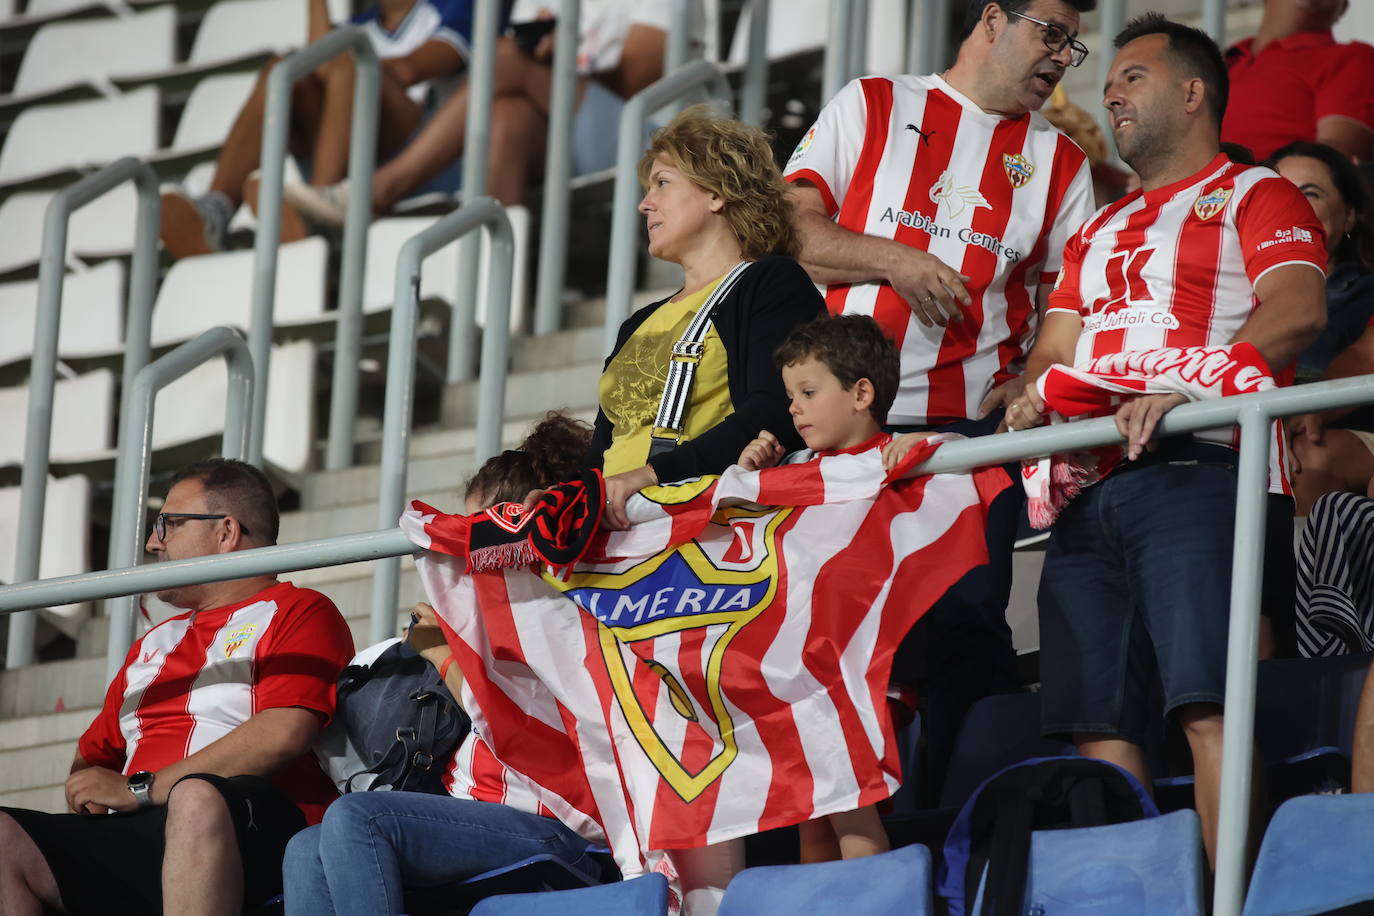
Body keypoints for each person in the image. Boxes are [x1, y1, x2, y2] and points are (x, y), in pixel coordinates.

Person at [1005, 13, 1327, 864]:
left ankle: (1232, 899)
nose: (1109, 93)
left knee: (1208, 704)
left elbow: (1298, 309)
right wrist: (1029, 399)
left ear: (1192, 94)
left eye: (1133, 78)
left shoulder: (1257, 193)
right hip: (1088, 487)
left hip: (1202, 467)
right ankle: (1143, 895)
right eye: (1111, 81)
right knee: (1096, 728)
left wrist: (1190, 388)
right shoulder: (1094, 231)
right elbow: (1053, 351)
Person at [783, 0, 1097, 806]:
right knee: (828, 632)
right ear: (993, 18)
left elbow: (1072, 299)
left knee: (960, 630)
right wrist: (897, 260)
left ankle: (944, 827)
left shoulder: (1061, 162)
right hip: (844, 429)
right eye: (1050, 33)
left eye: (1073, 45)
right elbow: (791, 230)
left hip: (968, 437)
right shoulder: (873, 102)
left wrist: (1033, 375)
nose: (1061, 57)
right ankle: (844, 830)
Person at [0, 459, 355, 915]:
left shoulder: (300, 610)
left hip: (254, 833)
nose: (154, 542)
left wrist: (139, 789)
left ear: (226, 532)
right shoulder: (152, 643)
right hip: (144, 829)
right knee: (4, 836)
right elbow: (93, 756)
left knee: (195, 798)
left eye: (169, 524)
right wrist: (91, 792)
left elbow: (283, 733)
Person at [283, 413, 602, 916]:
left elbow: (517, 723)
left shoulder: (559, 609)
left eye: (475, 533)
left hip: (558, 821)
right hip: (473, 812)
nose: (466, 555)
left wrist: (439, 651)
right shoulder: (493, 617)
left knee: (357, 818)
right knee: (305, 848)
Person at [736, 314, 933, 863]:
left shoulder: (904, 455)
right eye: (789, 396)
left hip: (866, 667)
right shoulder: (793, 467)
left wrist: (924, 447)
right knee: (813, 817)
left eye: (808, 392)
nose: (793, 409)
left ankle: (874, 898)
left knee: (850, 803)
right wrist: (750, 473)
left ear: (861, 394)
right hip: (798, 669)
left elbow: (958, 460)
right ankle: (825, 898)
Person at [582, 105, 825, 529]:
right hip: (620, 528)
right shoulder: (636, 323)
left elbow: (778, 409)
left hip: (710, 526)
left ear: (717, 193)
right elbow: (602, 451)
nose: (644, 204)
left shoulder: (771, 283)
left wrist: (651, 475)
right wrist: (570, 495)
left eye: (662, 183)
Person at [286, 0, 692, 221]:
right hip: (567, 128)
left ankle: (379, 189)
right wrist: (547, 61)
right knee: (506, 117)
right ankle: (498, 296)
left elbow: (635, 82)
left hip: (653, 140)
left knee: (506, 59)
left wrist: (558, 65)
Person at [159, 0, 473, 259]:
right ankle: (217, 210)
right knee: (283, 71)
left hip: (418, 153)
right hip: (358, 149)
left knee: (348, 61)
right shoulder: (358, 26)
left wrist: (339, 65)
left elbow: (408, 70)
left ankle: (320, 208)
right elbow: (317, 67)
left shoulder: (455, 6)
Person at [1263, 142, 1374, 514]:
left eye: (1310, 193)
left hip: (1338, 435)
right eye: (1278, 191)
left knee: (1304, 458)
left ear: (1350, 216)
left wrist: (1308, 411)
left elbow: (1366, 356)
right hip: (1256, 436)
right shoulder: (1225, 292)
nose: (1292, 204)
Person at [1221, 0, 1374, 163]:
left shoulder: (1353, 57)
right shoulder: (1221, 60)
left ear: (1343, 7)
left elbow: (1334, 159)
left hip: (1269, 178)